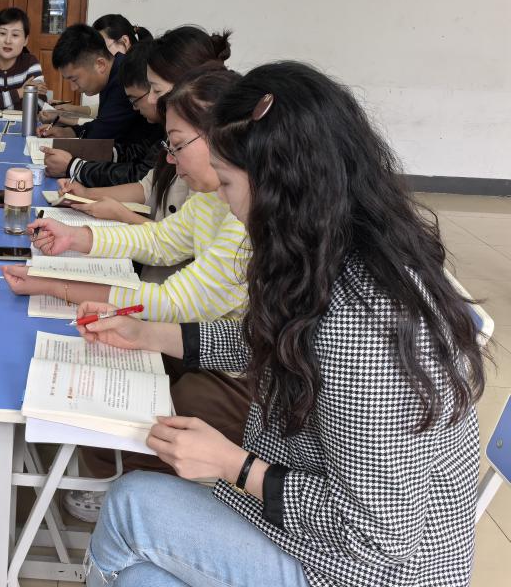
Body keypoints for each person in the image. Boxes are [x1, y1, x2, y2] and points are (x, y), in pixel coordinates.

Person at [82, 62, 485, 587]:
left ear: (280, 187)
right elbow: (273, 342)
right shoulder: (332, 255)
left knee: (132, 505)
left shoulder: (364, 325)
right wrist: (149, 334)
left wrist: (234, 465)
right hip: (315, 528)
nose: (223, 200)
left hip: (369, 570)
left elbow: (379, 539)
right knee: (142, 580)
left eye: (228, 183)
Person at [8, 68, 249, 322]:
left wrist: (55, 285)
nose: (169, 158)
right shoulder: (210, 195)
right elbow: (161, 239)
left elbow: (173, 302)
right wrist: (74, 237)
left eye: (177, 145)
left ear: (222, 136)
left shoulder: (246, 214)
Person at [43, 24, 231, 185]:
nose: (152, 100)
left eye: (156, 90)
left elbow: (140, 175)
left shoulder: (211, 148)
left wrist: (74, 167)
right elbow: (141, 158)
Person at [37, 24, 148, 151]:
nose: (73, 88)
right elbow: (103, 123)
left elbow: (100, 137)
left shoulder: (125, 79)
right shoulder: (114, 71)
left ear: (100, 64)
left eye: (74, 79)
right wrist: (70, 132)